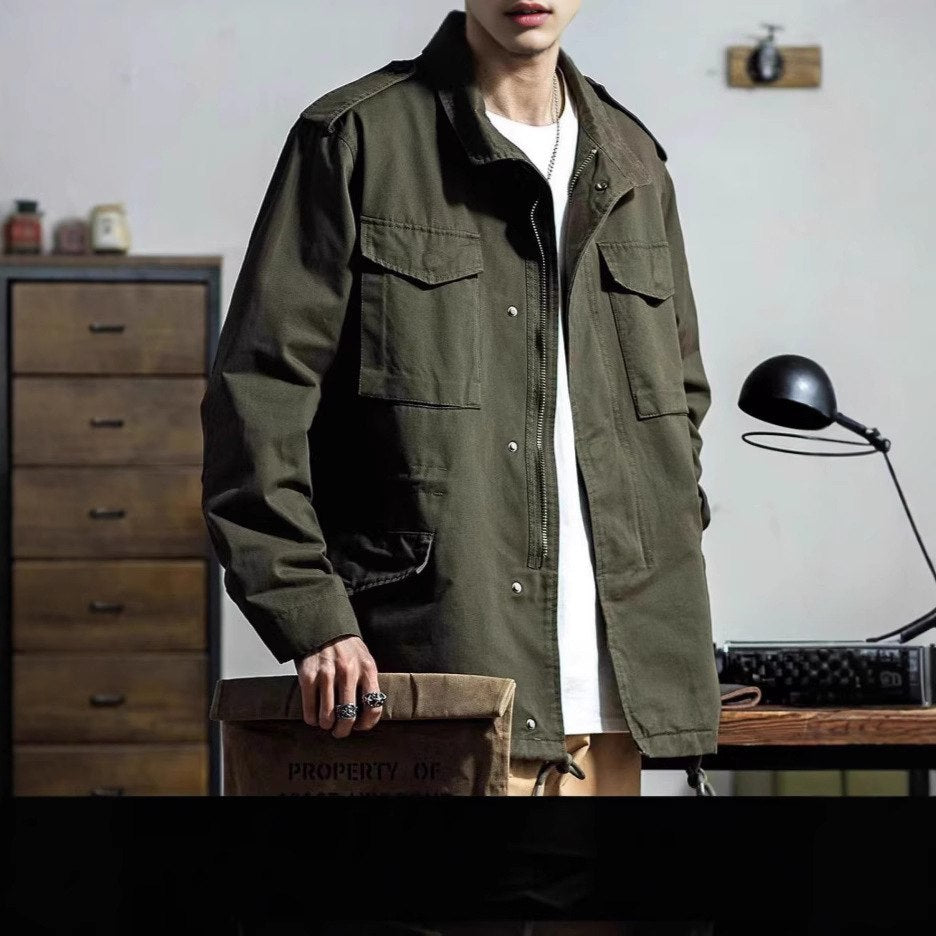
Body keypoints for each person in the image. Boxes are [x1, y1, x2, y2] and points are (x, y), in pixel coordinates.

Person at [200, 1, 721, 797]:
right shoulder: (356, 139)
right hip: (439, 681)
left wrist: (663, 542)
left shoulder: (633, 162)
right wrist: (309, 612)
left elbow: (678, 399)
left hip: (619, 703)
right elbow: (257, 398)